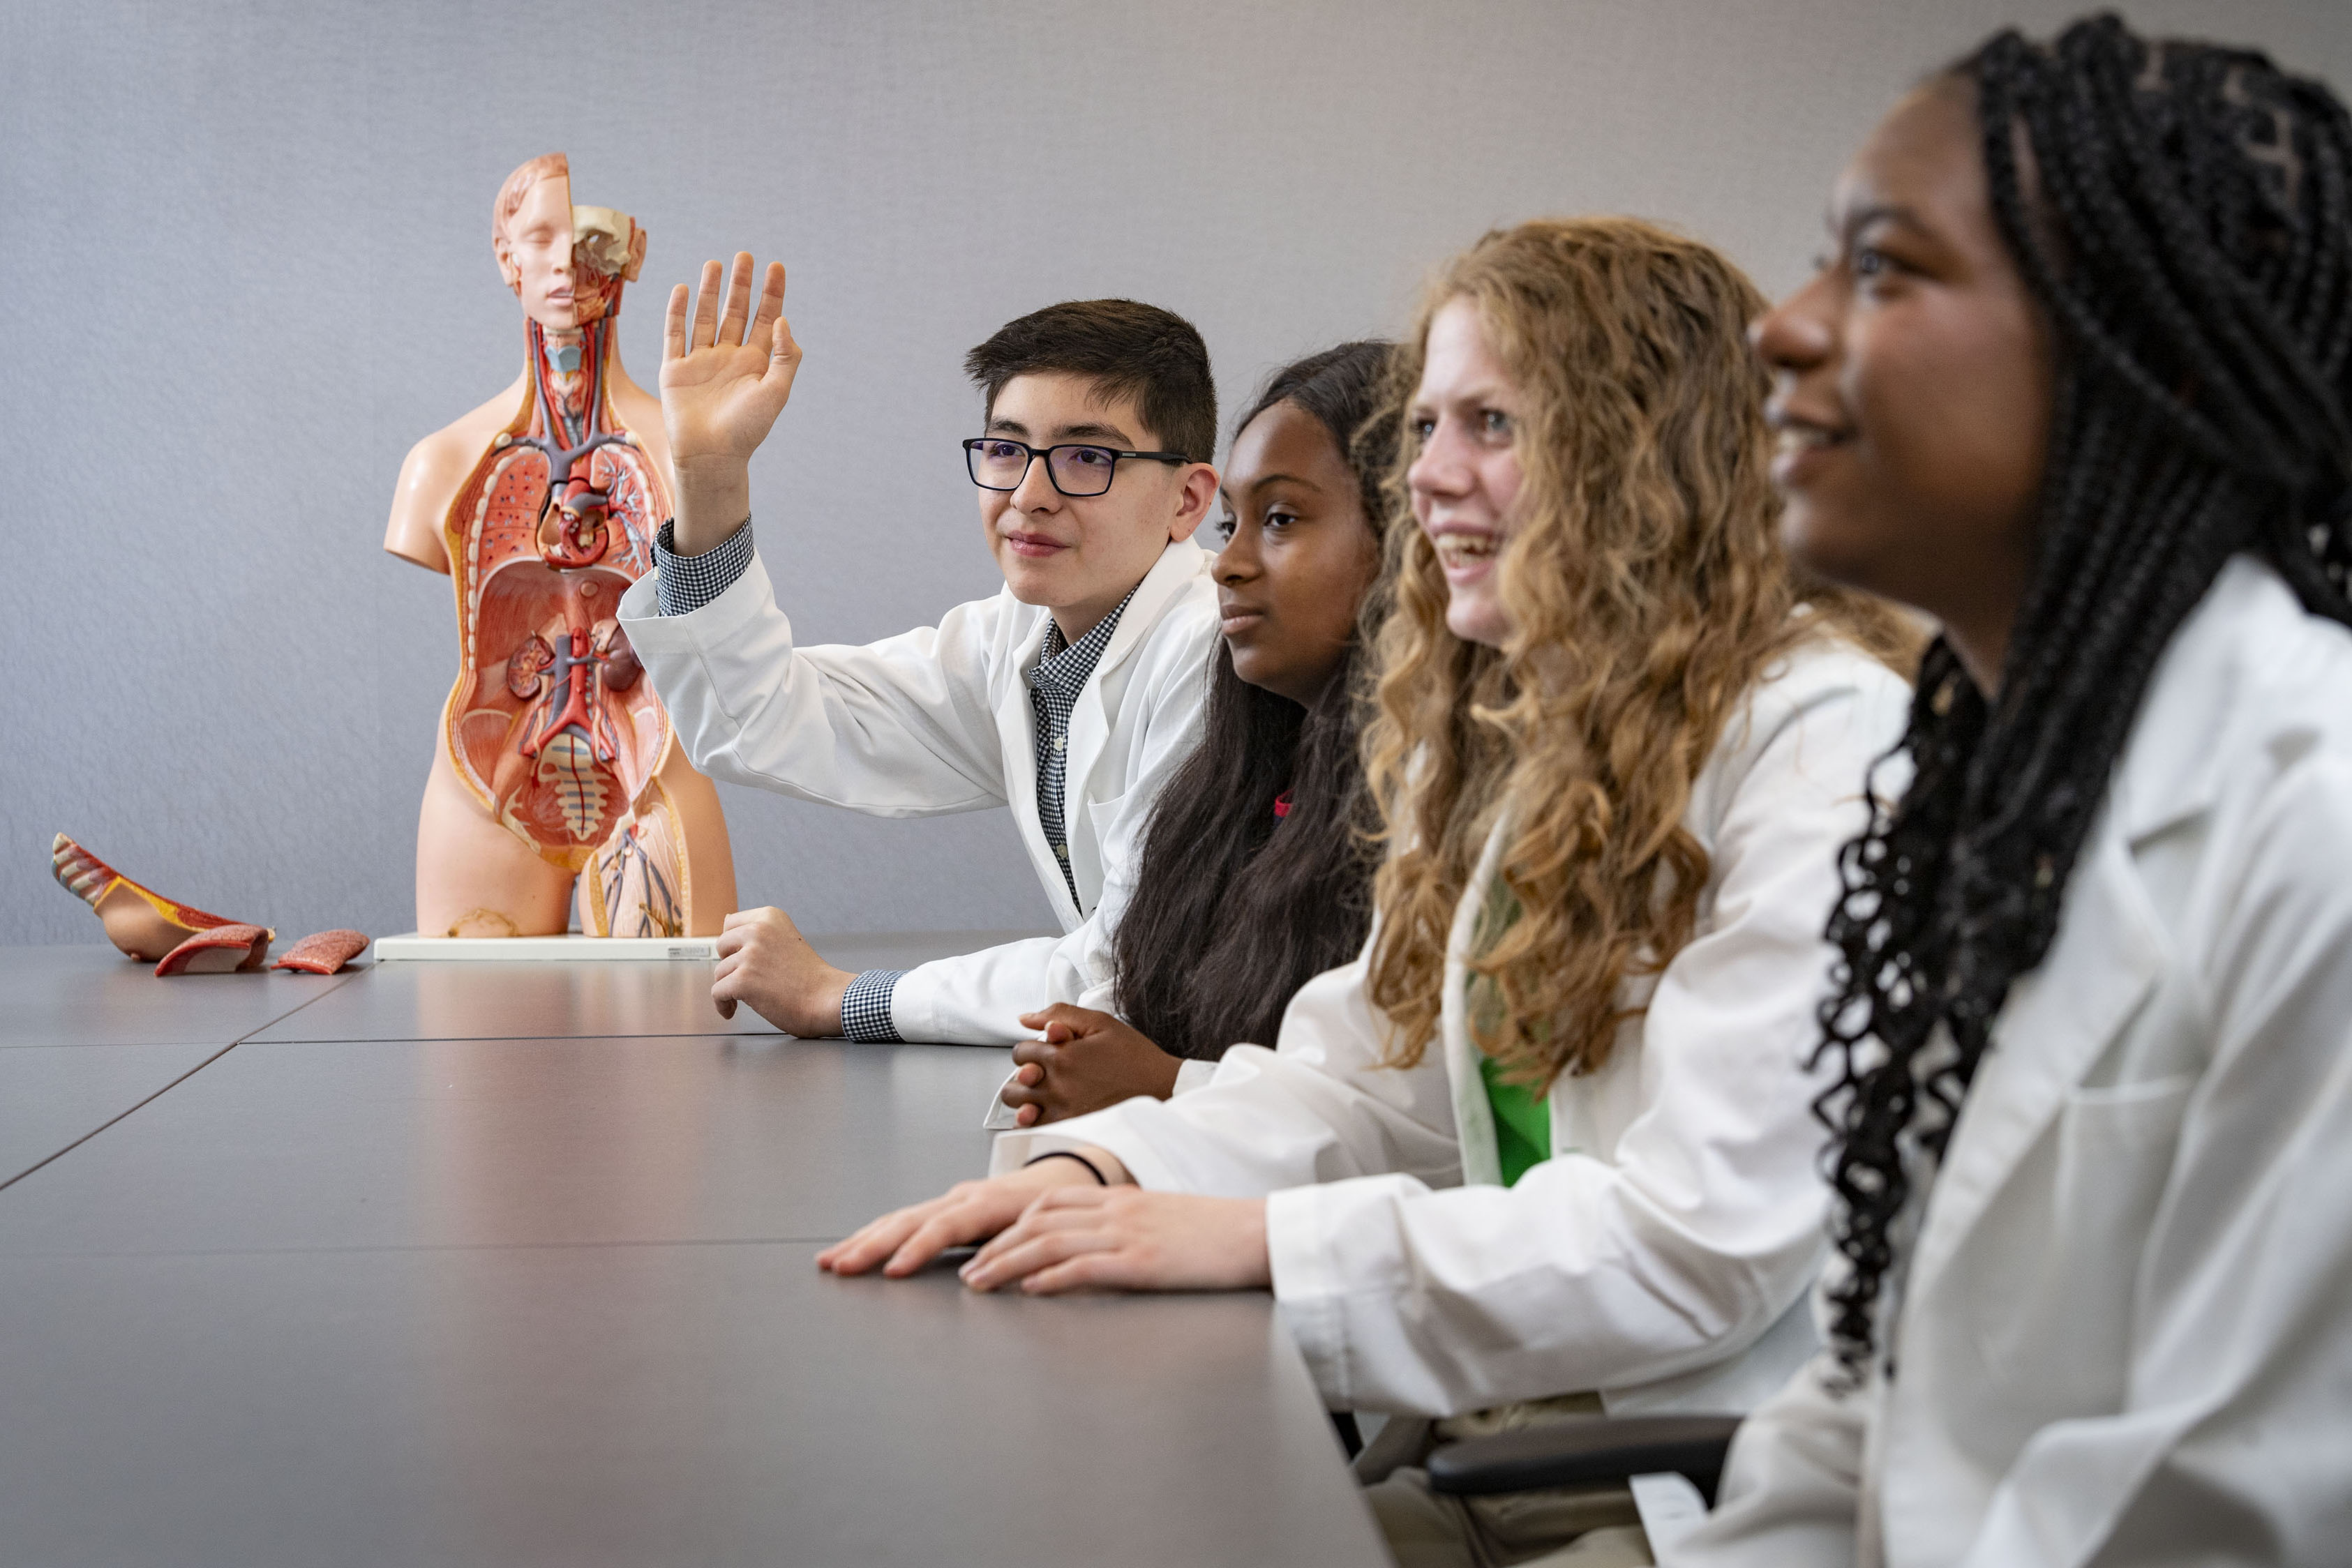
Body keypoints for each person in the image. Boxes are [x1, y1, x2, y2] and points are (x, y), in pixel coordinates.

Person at [823, 216, 1920, 1567]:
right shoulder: (1546, 743)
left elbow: (1696, 1246)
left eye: (1491, 425)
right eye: (1428, 428)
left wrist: (1257, 1240)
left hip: (1711, 1472)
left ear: (1648, 449)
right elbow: (1368, 1078)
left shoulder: (1824, 747)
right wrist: (1102, 1167)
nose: (1431, 476)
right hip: (1527, 1429)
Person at [1677, 17, 2352, 1565]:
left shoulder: (2317, 819)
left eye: (1881, 268)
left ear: (2150, 347)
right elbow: (1871, 1405)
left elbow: (2225, 1521)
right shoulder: (2014, 794)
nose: (1781, 330)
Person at [615, 259, 1223, 1043]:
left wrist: (841, 997)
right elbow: (763, 717)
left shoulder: (1215, 652)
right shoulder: (1018, 642)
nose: (1028, 495)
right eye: (1006, 450)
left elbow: (1135, 965)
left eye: (1086, 458)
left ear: (1186, 500)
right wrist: (711, 474)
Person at [998, 342, 1394, 1126]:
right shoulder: (1253, 779)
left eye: (1279, 520)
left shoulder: (1439, 808)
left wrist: (1168, 1084)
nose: (1225, 564)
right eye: (1232, 525)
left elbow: (1408, 1113)